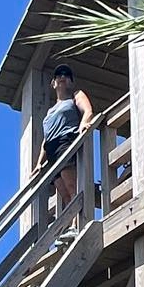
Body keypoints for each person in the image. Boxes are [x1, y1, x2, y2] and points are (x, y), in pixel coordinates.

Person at [39, 64, 95, 207]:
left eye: (66, 74)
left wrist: (83, 123)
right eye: (58, 75)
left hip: (65, 141)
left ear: (71, 81)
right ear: (53, 83)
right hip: (51, 150)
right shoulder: (50, 111)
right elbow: (46, 137)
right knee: (64, 193)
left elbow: (88, 111)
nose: (62, 77)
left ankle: (77, 224)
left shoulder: (76, 96)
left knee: (71, 187)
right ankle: (71, 225)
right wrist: (39, 163)